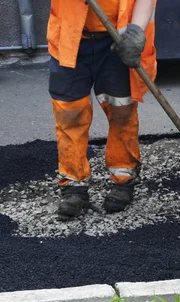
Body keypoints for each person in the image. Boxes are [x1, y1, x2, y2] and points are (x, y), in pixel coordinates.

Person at [47, 0, 157, 219]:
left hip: (118, 39)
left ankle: (124, 176)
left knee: (121, 110)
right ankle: (74, 185)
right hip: (71, 37)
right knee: (70, 112)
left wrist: (135, 31)